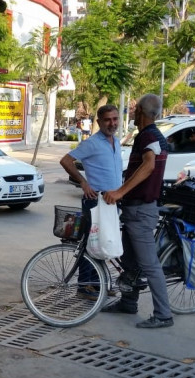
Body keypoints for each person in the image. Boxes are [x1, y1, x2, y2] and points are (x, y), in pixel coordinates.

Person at [103, 94, 173, 329]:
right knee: (129, 261)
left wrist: (121, 191)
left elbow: (149, 164)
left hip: (142, 211)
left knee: (149, 264)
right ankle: (128, 303)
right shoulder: (153, 136)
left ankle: (163, 315)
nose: (131, 113)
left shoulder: (148, 135)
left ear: (141, 112)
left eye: (134, 110)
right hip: (136, 210)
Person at [59, 104, 124, 300]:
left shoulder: (116, 141)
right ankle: (84, 286)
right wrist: (83, 183)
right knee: (91, 244)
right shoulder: (92, 143)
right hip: (95, 201)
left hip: (112, 202)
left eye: (114, 119)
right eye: (107, 120)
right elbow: (66, 161)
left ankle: (97, 284)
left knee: (103, 243)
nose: (112, 123)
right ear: (99, 122)